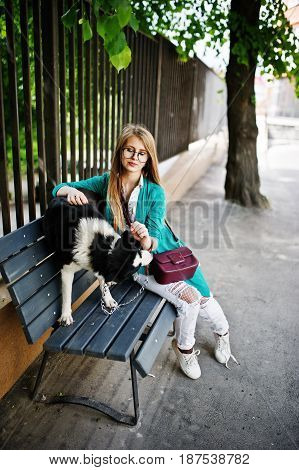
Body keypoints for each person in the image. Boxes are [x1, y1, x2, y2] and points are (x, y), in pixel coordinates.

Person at [52, 123, 238, 380]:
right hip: (141, 265)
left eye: (141, 153)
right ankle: (184, 348)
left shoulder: (154, 191)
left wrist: (147, 238)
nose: (134, 157)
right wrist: (70, 190)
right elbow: (57, 188)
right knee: (191, 299)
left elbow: (157, 237)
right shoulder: (107, 182)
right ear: (120, 153)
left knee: (206, 299)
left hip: (168, 254)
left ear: (148, 158)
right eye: (129, 150)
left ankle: (223, 334)